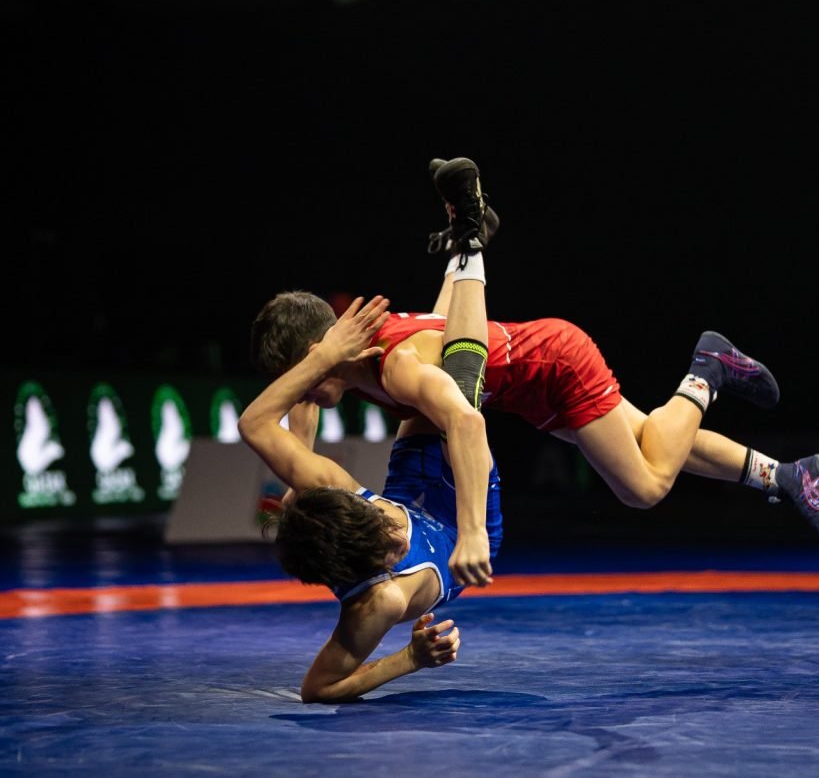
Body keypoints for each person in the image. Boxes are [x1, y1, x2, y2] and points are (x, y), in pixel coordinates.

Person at [250, 156, 819, 537]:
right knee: (654, 439)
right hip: (530, 381)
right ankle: (789, 477)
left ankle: (706, 370)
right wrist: (296, 482)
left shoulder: (392, 364)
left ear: (320, 350)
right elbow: (308, 403)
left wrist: (472, 533)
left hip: (554, 365)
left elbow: (464, 405)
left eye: (301, 374)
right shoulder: (343, 360)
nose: (301, 390)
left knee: (644, 486)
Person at [237, 294, 503, 704]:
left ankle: (455, 265)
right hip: (457, 532)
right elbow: (317, 689)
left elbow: (254, 424)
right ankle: (469, 269)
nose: (397, 537)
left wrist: (326, 356)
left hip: (410, 493)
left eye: (381, 523)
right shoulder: (379, 603)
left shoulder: (332, 485)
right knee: (459, 397)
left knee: (421, 360)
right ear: (365, 569)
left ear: (360, 503)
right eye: (388, 552)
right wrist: (408, 659)